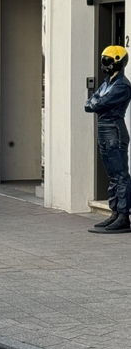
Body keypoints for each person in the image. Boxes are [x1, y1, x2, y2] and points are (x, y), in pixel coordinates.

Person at [85, 45, 131, 232]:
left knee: (120, 175)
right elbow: (89, 104)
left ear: (118, 62)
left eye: (108, 61)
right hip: (105, 130)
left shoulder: (121, 85)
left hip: (114, 130)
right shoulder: (107, 83)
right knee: (112, 176)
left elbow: (99, 103)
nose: (105, 65)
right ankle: (115, 212)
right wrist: (95, 103)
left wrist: (95, 103)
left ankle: (123, 215)